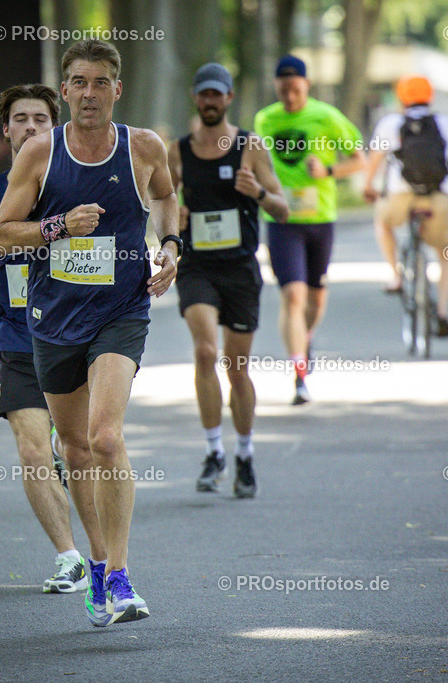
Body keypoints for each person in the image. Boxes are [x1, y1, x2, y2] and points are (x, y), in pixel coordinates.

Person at [0, 39, 180, 626]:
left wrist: (171, 249)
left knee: (104, 437)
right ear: (65, 89)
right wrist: (57, 226)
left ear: (117, 90)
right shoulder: (41, 154)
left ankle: (121, 576)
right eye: (79, 82)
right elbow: (2, 234)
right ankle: (96, 564)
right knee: (72, 447)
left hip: (121, 311)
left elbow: (169, 201)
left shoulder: (143, 147)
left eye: (101, 82)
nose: (89, 93)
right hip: (53, 317)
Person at [0, 83, 101, 595]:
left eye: (40, 118)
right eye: (21, 119)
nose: (31, 127)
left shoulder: (77, 186)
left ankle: (106, 555)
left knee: (82, 446)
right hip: (17, 337)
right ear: (6, 128)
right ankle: (69, 558)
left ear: (53, 127)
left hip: (76, 336)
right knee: (33, 451)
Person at [167, 63, 289, 498]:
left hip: (240, 268)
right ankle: (213, 450)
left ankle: (245, 454)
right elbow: (156, 198)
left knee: (237, 368)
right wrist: (171, 216)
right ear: (196, 98)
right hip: (197, 265)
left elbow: (282, 209)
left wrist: (256, 191)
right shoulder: (178, 151)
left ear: (230, 98)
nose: (210, 102)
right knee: (204, 352)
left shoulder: (249, 146)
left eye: (217, 95)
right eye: (204, 95)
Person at [253, 54, 366, 405]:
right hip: (282, 220)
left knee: (316, 297)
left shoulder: (327, 117)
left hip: (320, 219)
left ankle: (306, 336)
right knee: (293, 296)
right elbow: (257, 161)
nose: (289, 97)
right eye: (283, 90)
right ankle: (299, 375)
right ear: (276, 87)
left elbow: (360, 159)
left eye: (296, 90)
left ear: (307, 86)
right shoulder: (265, 119)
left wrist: (328, 172)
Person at [364, 74, 448, 337]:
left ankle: (396, 275)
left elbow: (375, 160)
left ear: (401, 97)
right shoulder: (444, 123)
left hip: (400, 197)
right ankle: (441, 312)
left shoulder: (390, 123)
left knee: (382, 222)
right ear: (429, 96)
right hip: (437, 197)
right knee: (446, 251)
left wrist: (368, 186)